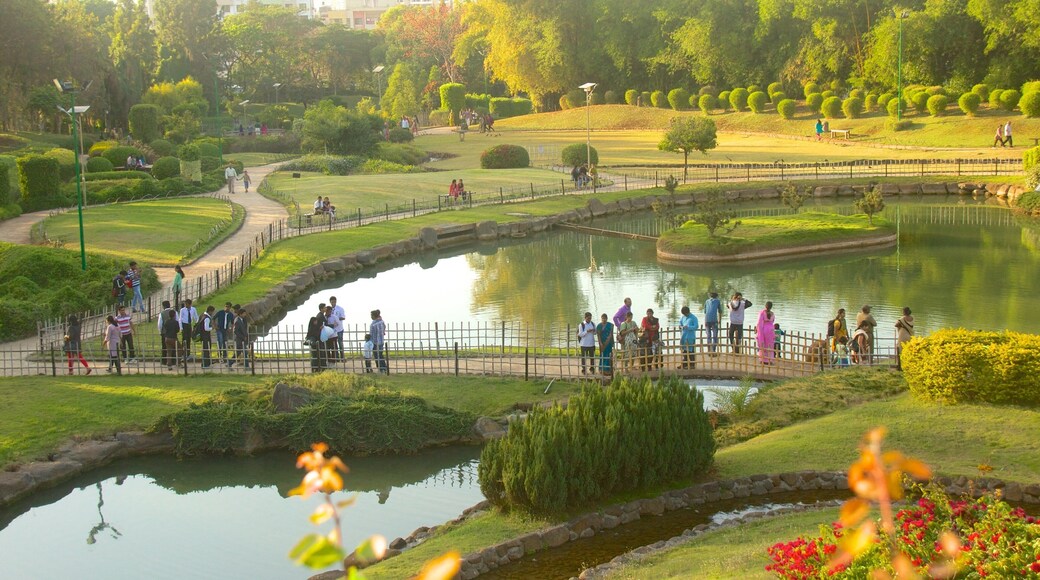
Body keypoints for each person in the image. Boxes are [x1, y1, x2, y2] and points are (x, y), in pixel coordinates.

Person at [679, 305, 699, 369]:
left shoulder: (693, 318)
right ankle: (684, 364)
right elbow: (680, 323)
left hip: (690, 336)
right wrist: (680, 326)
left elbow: (696, 326)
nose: (685, 315)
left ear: (688, 312)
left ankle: (692, 364)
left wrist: (689, 327)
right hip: (684, 336)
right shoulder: (683, 317)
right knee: (684, 350)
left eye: (685, 314)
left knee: (691, 351)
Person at [895, 306, 915, 370]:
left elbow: (896, 325)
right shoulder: (912, 318)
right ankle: (908, 364)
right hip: (910, 335)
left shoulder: (902, 319)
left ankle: (900, 366)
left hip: (902, 335)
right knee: (908, 349)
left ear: (904, 312)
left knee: (900, 349)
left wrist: (901, 325)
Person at [370, 309, 388, 373]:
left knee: (377, 356)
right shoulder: (381, 321)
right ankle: (384, 368)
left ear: (374, 316)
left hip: (375, 342)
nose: (371, 317)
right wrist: (383, 332)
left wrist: (370, 342)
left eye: (371, 315)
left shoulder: (373, 324)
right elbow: (385, 327)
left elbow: (371, 334)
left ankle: (380, 368)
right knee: (380, 355)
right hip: (381, 341)